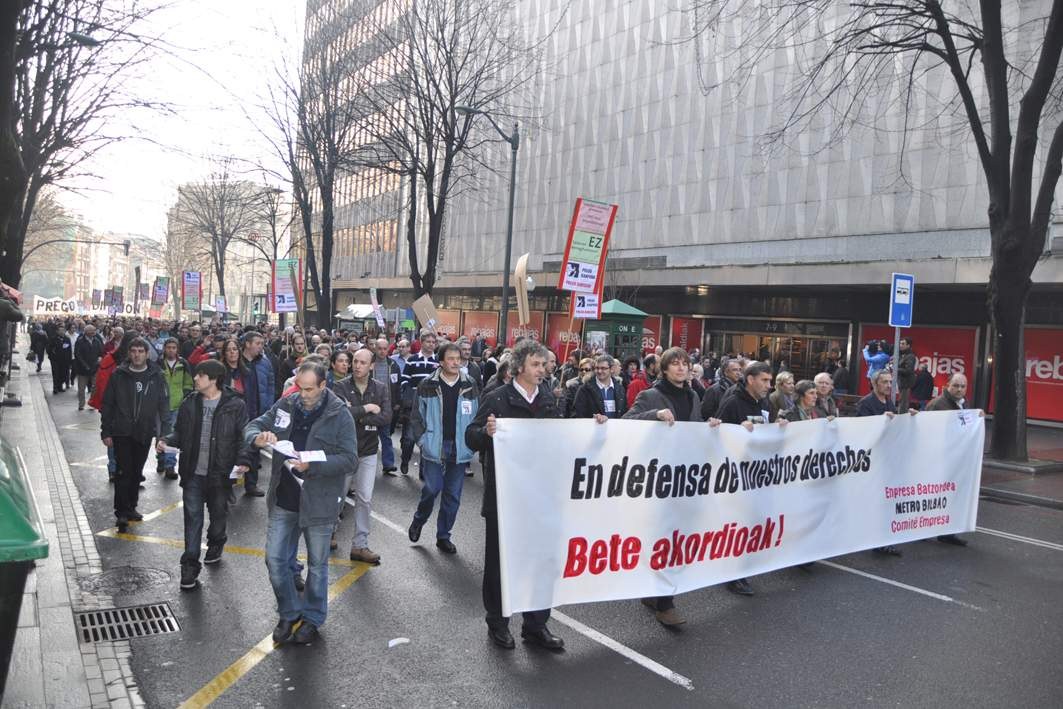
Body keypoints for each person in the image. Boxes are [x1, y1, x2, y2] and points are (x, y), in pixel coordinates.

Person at [246, 361, 358, 646]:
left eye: (309, 389)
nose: (303, 394)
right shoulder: (287, 404)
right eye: (300, 387)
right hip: (285, 496)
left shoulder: (339, 414)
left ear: (323, 385)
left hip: (318, 502)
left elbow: (349, 459)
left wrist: (313, 465)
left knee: (318, 566)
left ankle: (312, 618)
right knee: (275, 560)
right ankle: (288, 612)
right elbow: (255, 424)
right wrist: (257, 437)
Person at [466, 340, 566, 652]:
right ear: (519, 367)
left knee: (540, 561)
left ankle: (536, 624)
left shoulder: (548, 399)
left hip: (539, 498)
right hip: (504, 499)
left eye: (545, 364)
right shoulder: (497, 398)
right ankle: (497, 622)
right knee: (499, 564)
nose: (543, 370)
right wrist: (487, 432)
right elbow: (471, 436)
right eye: (536, 365)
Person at [624, 347, 720, 625]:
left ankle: (654, 591)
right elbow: (627, 422)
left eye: (685, 364)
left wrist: (709, 426)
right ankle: (665, 604)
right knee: (665, 538)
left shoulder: (692, 395)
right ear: (664, 369)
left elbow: (695, 427)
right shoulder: (651, 395)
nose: (681, 368)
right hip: (659, 478)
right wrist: (654, 414)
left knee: (673, 538)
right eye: (675, 364)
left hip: (684, 478)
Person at [158, 359, 251, 590]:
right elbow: (178, 433)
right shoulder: (190, 403)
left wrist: (243, 461)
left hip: (220, 473)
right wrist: (166, 441)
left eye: (200, 375)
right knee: (192, 519)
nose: (196, 379)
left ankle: (217, 541)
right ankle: (189, 566)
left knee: (218, 515)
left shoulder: (235, 405)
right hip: (193, 474)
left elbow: (244, 437)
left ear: (213, 379)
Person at [715, 361, 785, 596]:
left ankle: (741, 568)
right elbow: (717, 434)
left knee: (750, 524)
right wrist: (735, 429)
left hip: (757, 474)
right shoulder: (732, 402)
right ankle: (733, 575)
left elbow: (768, 427)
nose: (769, 385)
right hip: (735, 477)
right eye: (764, 380)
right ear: (750, 379)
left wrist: (779, 426)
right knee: (736, 525)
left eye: (770, 380)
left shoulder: (763, 401)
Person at [408, 342, 479, 553]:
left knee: (453, 495)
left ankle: (443, 535)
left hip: (460, 446)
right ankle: (419, 519)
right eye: (451, 359)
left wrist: (473, 440)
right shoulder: (427, 384)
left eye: (458, 359)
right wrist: (422, 441)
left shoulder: (470, 384)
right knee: (432, 489)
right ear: (441, 362)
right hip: (433, 445)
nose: (456, 363)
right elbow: (416, 417)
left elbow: (477, 414)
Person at [101, 338, 170, 532]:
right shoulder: (119, 375)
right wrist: (105, 430)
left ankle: (131, 506)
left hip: (145, 430)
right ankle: (121, 511)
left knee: (137, 471)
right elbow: (108, 404)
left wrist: (163, 434)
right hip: (122, 431)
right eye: (134, 351)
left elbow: (163, 405)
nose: (137, 354)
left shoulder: (156, 375)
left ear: (147, 354)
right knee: (124, 471)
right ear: (129, 353)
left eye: (141, 351)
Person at [333, 348, 392, 564]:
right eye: (354, 361)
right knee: (338, 496)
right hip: (345, 451)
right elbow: (340, 413)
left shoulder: (381, 388)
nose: (357, 365)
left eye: (362, 362)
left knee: (365, 498)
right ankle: (330, 531)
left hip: (367, 451)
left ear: (372, 366)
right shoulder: (340, 386)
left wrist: (359, 417)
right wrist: (366, 408)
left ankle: (360, 545)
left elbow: (386, 417)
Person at [856, 369, 917, 555]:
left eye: (891, 382)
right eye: (885, 382)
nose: (889, 386)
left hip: (886, 459)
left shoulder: (889, 401)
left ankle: (881, 540)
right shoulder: (866, 403)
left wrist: (909, 417)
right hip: (873, 460)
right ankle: (875, 540)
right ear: (875, 384)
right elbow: (861, 429)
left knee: (885, 502)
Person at [924, 373, 976, 547]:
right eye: (956, 386)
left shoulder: (963, 404)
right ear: (947, 385)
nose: (960, 389)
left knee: (950, 496)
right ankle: (921, 529)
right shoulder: (937, 405)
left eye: (963, 386)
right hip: (938, 459)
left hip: (955, 460)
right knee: (933, 497)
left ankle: (947, 532)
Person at [239, 331, 276, 497]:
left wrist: (268, 405)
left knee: (254, 448)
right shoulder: (237, 361)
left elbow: (270, 384)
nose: (261, 347)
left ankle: (251, 484)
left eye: (262, 343)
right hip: (238, 412)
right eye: (258, 343)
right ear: (247, 344)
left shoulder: (265, 363)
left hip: (257, 411)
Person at [401, 330, 439, 475]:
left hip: (432, 406)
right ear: (421, 343)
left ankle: (424, 470)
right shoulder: (412, 359)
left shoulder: (438, 362)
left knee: (428, 439)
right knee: (409, 438)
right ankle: (405, 460)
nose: (431, 345)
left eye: (433, 342)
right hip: (414, 406)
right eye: (428, 342)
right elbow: (404, 379)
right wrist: (410, 394)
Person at [157, 338, 194, 479]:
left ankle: (170, 466)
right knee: (160, 433)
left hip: (178, 404)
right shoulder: (159, 364)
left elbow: (188, 382)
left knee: (172, 435)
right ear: (164, 349)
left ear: (177, 349)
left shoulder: (183, 363)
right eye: (168, 347)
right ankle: (160, 460)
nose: (171, 350)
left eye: (174, 347)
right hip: (161, 405)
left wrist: (185, 397)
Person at [371, 338, 403, 474]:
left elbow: (398, 385)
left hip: (387, 405)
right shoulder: (369, 363)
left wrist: (396, 402)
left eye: (385, 348)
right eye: (380, 348)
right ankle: (367, 465)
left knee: (386, 436)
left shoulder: (393, 365)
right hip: (370, 405)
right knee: (369, 437)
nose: (382, 351)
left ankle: (388, 464)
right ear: (375, 348)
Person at [571, 354, 627, 419]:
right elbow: (577, 414)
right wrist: (593, 419)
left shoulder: (620, 389)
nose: (599, 371)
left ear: (612, 369)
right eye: (597, 368)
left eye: (603, 368)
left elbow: (624, 412)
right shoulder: (585, 389)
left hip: (614, 428)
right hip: (592, 428)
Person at [73, 324, 103, 411]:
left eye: (94, 330)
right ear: (86, 332)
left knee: (94, 387)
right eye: (92, 331)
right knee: (81, 388)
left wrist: (100, 358)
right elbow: (77, 355)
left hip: (95, 368)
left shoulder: (97, 341)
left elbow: (101, 352)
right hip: (82, 369)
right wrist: (85, 365)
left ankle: (92, 403)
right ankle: (81, 404)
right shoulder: (80, 341)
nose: (94, 332)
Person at [46, 324, 73, 394]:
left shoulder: (67, 339)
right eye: (60, 331)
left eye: (63, 331)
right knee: (55, 374)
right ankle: (55, 387)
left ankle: (60, 386)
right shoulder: (53, 339)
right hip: (55, 360)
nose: (62, 332)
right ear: (57, 331)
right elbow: (49, 349)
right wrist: (52, 356)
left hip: (64, 360)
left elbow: (69, 350)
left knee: (63, 374)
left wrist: (69, 360)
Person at [896, 337, 917, 411]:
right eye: (900, 343)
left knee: (903, 403)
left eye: (903, 344)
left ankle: (902, 419)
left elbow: (908, 370)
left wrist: (896, 369)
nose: (900, 345)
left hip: (906, 383)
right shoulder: (902, 355)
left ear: (908, 345)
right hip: (902, 382)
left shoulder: (910, 356)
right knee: (901, 401)